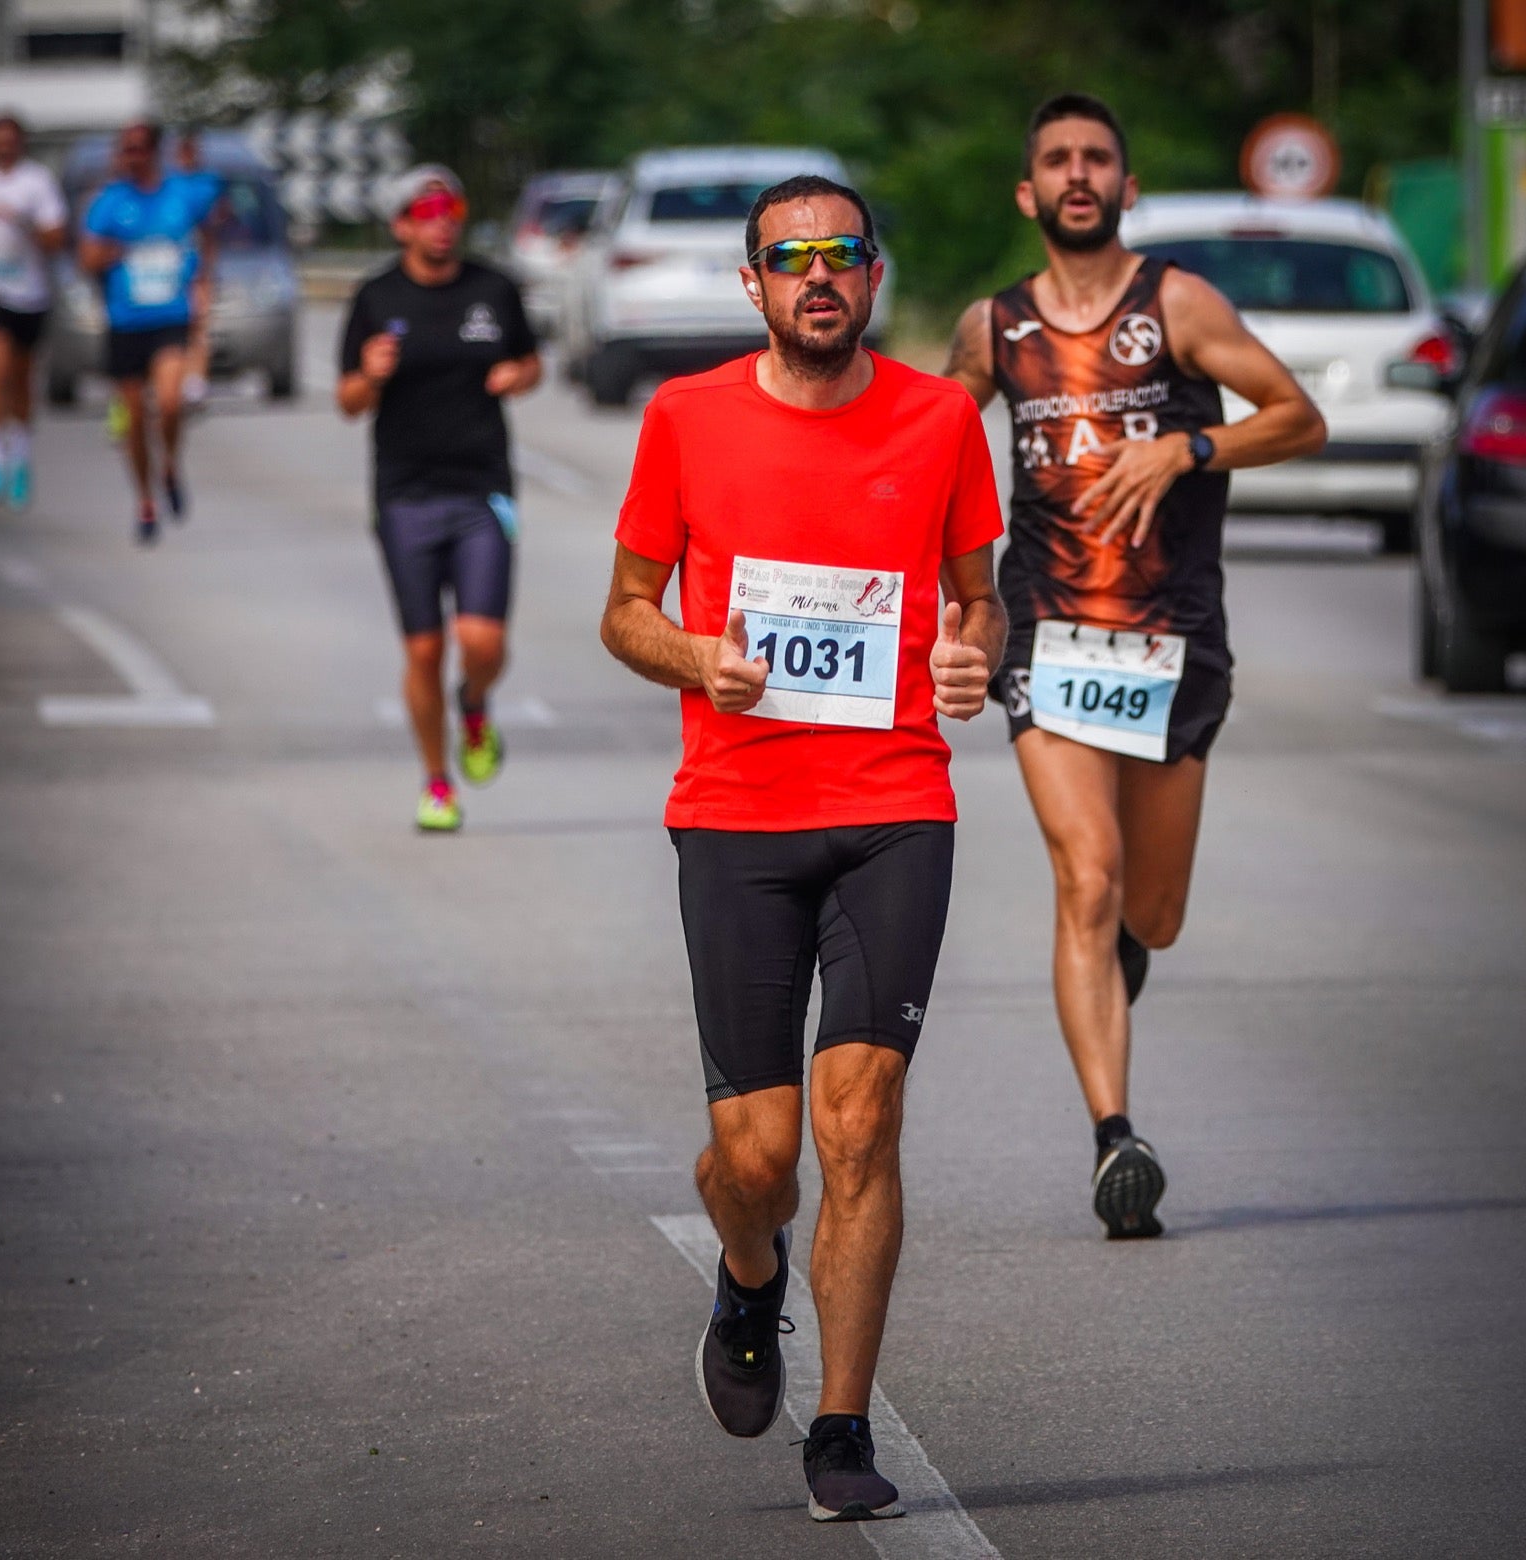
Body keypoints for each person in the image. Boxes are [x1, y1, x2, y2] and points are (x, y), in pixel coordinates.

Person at [601, 174, 1005, 1521]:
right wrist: (694, 656)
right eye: (792, 258)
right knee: (758, 1162)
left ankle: (840, 1426)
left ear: (875, 277)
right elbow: (624, 613)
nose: (817, 275)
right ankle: (749, 1272)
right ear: (754, 284)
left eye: (841, 254)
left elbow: (979, 602)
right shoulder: (686, 417)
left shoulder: (944, 419)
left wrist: (968, 659)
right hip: (735, 818)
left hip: (896, 805)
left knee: (861, 1122)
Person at [943, 93, 1325, 1239]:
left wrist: (1189, 443)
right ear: (1027, 191)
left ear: (1125, 183)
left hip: (1173, 642)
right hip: (1048, 630)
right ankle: (1117, 1139)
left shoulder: (1179, 304)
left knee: (1148, 914)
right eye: (1054, 158)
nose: (1075, 174)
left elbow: (1297, 419)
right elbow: (922, 448)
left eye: (1095, 158)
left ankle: (1119, 962)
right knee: (1087, 876)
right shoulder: (992, 329)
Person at [338, 165, 541, 833]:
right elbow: (347, 403)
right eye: (426, 209)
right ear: (401, 224)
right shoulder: (374, 298)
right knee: (424, 649)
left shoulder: (494, 289)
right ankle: (436, 781)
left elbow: (532, 360)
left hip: (482, 489)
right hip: (405, 495)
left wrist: (517, 374)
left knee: (481, 640)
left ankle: (474, 703)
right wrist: (368, 377)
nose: (441, 218)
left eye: (450, 206)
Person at [78, 121, 221, 544]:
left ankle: (170, 465)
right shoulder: (109, 201)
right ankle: (144, 499)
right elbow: (86, 257)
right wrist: (115, 252)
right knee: (134, 419)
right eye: (126, 149)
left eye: (140, 149)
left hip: (170, 316)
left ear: (155, 151)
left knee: (172, 402)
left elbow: (213, 212)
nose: (132, 156)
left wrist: (203, 280)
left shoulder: (181, 193)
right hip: (126, 322)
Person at [0, 115, 67, 508]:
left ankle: (21, 458)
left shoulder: (37, 182)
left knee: (21, 381)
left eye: (10, 141)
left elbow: (56, 238)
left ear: (21, 143)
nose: (3, 147)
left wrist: (24, 222)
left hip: (30, 293)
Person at [173, 130, 220, 409]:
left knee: (198, 325)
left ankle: (196, 382)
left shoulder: (207, 185)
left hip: (195, 265)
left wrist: (207, 267)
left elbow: (210, 229)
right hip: (170, 271)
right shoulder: (168, 185)